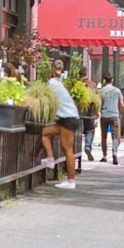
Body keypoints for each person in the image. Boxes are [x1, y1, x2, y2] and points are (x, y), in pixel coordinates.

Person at [39, 59, 80, 190]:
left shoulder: (51, 83)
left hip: (68, 118)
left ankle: (71, 181)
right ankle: (50, 159)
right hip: (68, 118)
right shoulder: (58, 82)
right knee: (44, 133)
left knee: (67, 148)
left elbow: (45, 98)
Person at [98, 75, 124, 165]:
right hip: (114, 115)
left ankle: (105, 155)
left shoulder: (101, 91)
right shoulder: (117, 91)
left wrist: (98, 113)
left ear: (105, 81)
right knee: (115, 136)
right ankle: (115, 152)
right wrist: (120, 113)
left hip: (104, 116)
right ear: (112, 80)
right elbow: (122, 104)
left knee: (104, 136)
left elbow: (99, 104)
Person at [82, 79, 98, 162]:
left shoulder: (80, 91)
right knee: (90, 131)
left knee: (76, 132)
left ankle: (74, 150)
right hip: (89, 116)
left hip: (79, 115)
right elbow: (97, 104)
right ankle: (87, 146)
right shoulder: (93, 93)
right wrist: (97, 114)